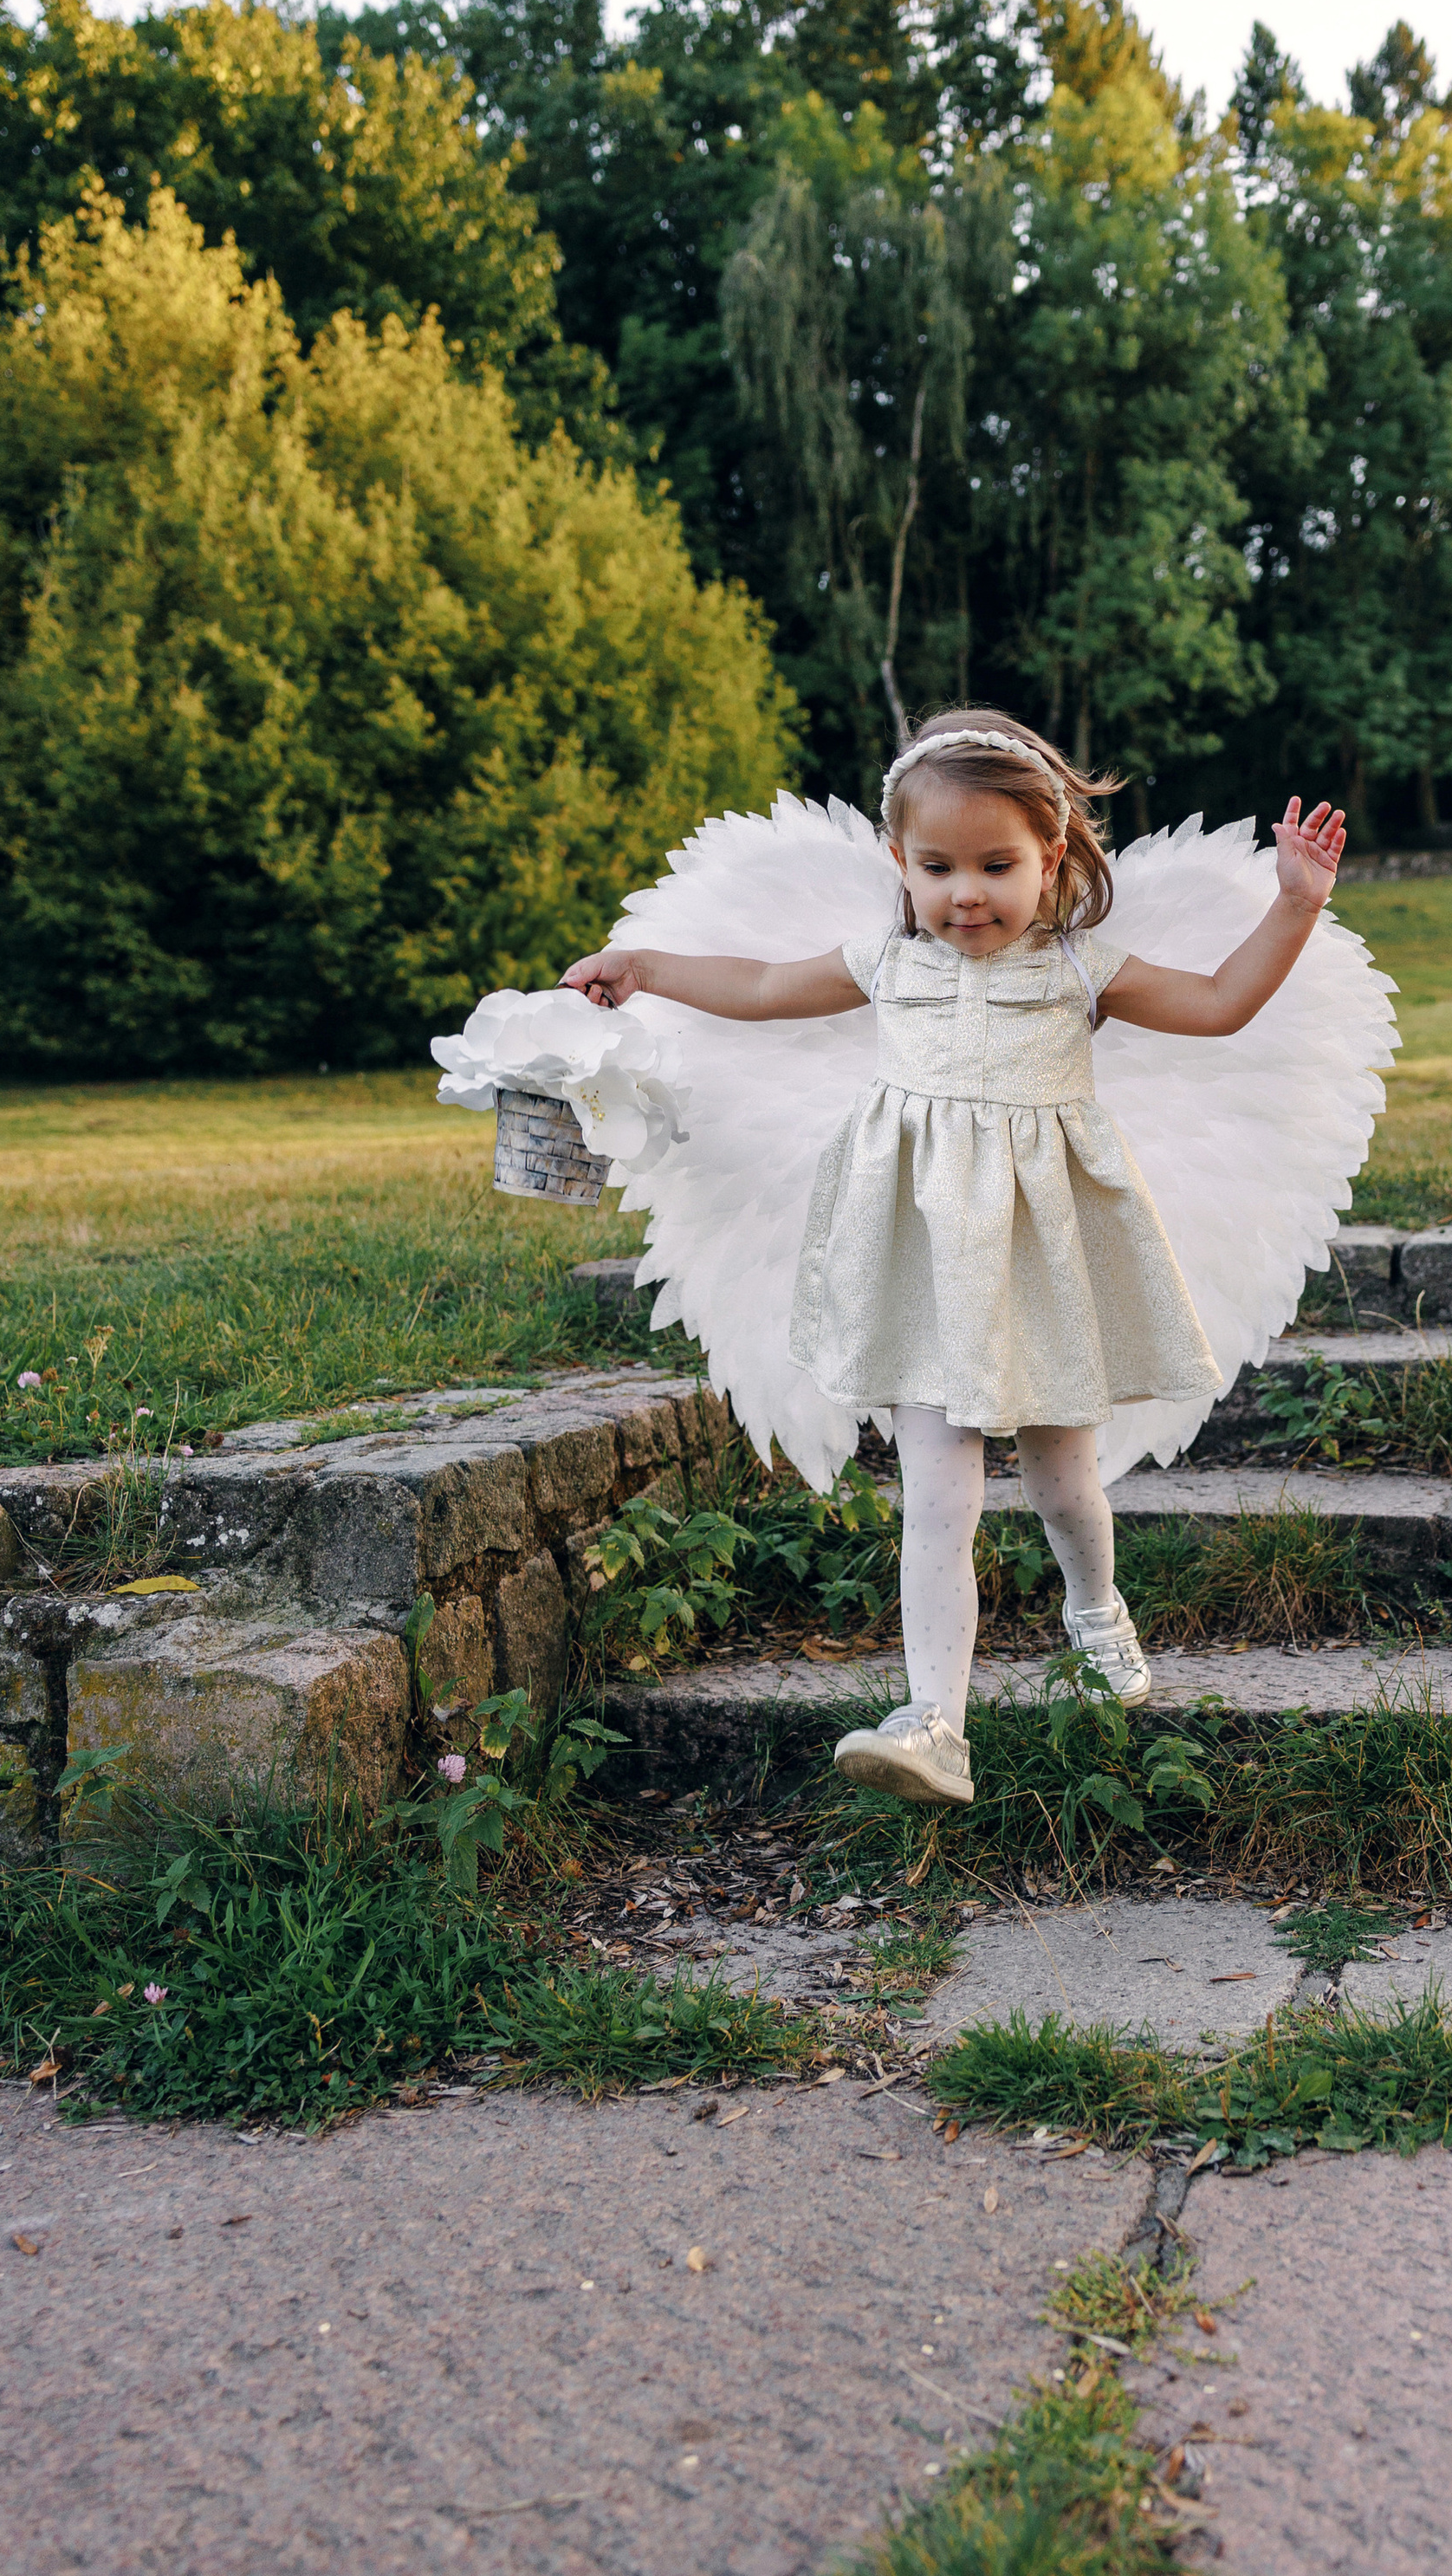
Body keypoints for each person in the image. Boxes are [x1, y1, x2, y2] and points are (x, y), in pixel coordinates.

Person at [559, 714, 1360, 1811]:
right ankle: (936, 1722)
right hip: (927, 1263)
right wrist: (642, 965)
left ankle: (1094, 1608)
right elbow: (752, 985)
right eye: (938, 868)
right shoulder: (884, 965)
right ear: (900, 863)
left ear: (1055, 859)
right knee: (940, 1493)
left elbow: (1221, 1007)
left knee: (1061, 1477)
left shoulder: (1085, 968)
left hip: (1043, 1262)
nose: (965, 894)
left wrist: (1294, 905)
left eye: (997, 866)